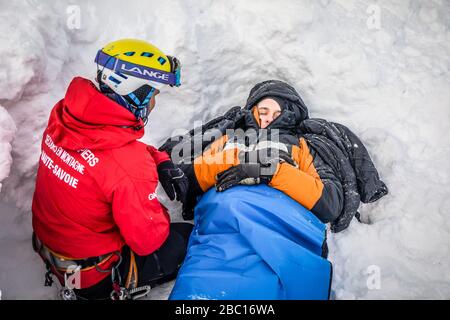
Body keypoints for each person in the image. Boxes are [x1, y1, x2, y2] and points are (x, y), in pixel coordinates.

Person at [31, 39, 193, 300]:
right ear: (136, 92)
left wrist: (159, 159)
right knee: (186, 239)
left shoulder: (65, 115)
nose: (153, 103)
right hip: (93, 277)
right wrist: (153, 207)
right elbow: (148, 240)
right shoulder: (126, 165)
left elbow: (106, 154)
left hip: (54, 246)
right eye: (152, 94)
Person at [178, 80, 345, 226]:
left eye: (276, 114)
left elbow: (330, 204)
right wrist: (244, 162)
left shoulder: (301, 145)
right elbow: (186, 180)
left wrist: (272, 171)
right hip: (220, 225)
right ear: (252, 110)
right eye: (263, 111)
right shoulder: (230, 138)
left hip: (277, 226)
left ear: (288, 116)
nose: (267, 118)